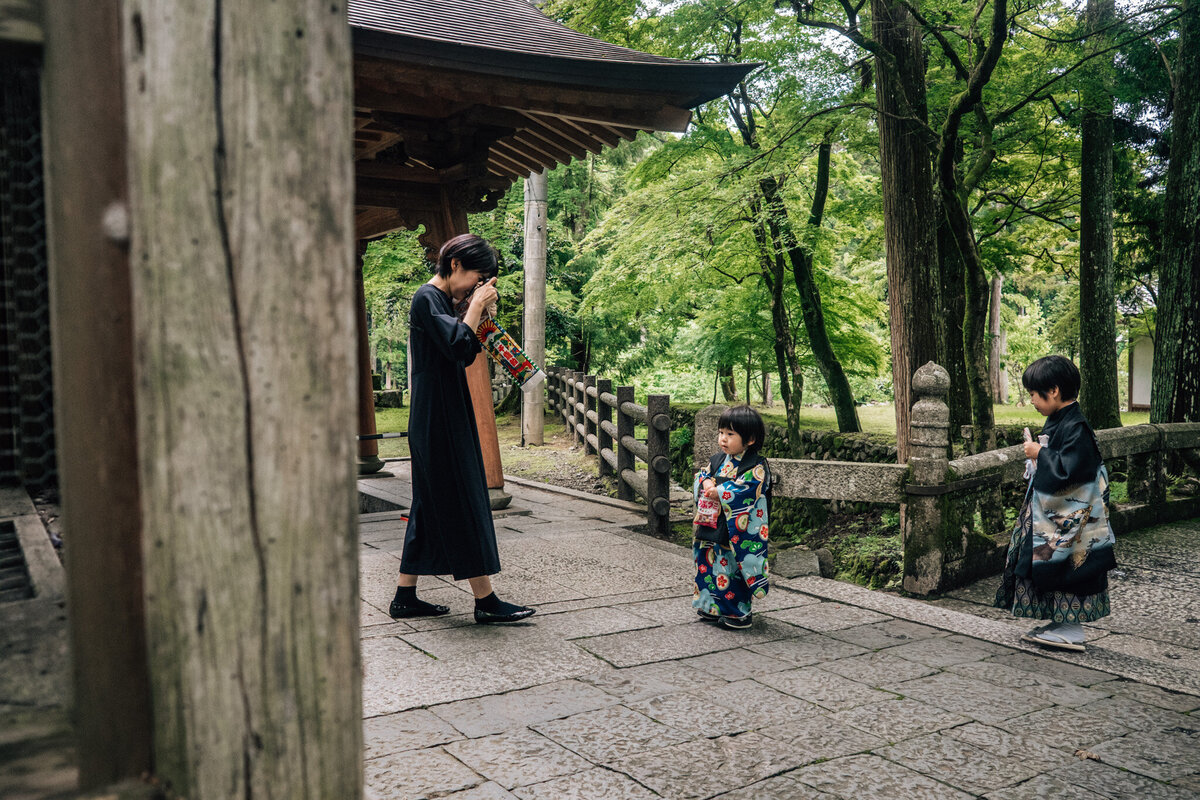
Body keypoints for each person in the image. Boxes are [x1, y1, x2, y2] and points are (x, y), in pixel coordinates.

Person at [390, 234, 534, 625]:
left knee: (430, 504)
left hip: (443, 409)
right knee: (462, 499)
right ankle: (486, 601)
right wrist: (472, 311)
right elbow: (456, 344)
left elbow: (466, 347)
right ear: (454, 264)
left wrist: (476, 313)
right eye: (475, 276)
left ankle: (404, 596)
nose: (475, 285)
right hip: (437, 415)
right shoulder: (426, 298)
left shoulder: (443, 302)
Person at [994, 355, 1116, 651]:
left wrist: (1039, 453)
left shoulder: (1077, 427)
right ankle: (1060, 622)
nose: (1032, 400)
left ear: (1055, 391)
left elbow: (1070, 472)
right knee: (1045, 561)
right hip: (1057, 514)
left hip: (1072, 518)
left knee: (1067, 564)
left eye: (1034, 394)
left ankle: (1071, 628)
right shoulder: (1064, 421)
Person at [692, 405, 771, 630]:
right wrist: (706, 482)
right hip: (712, 522)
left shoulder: (755, 465)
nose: (723, 439)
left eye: (730, 434)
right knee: (707, 563)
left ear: (751, 439)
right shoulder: (718, 460)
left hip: (738, 527)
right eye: (721, 433)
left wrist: (721, 492)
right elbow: (703, 474)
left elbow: (747, 489)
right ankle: (709, 606)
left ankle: (737, 613)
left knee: (731, 568)